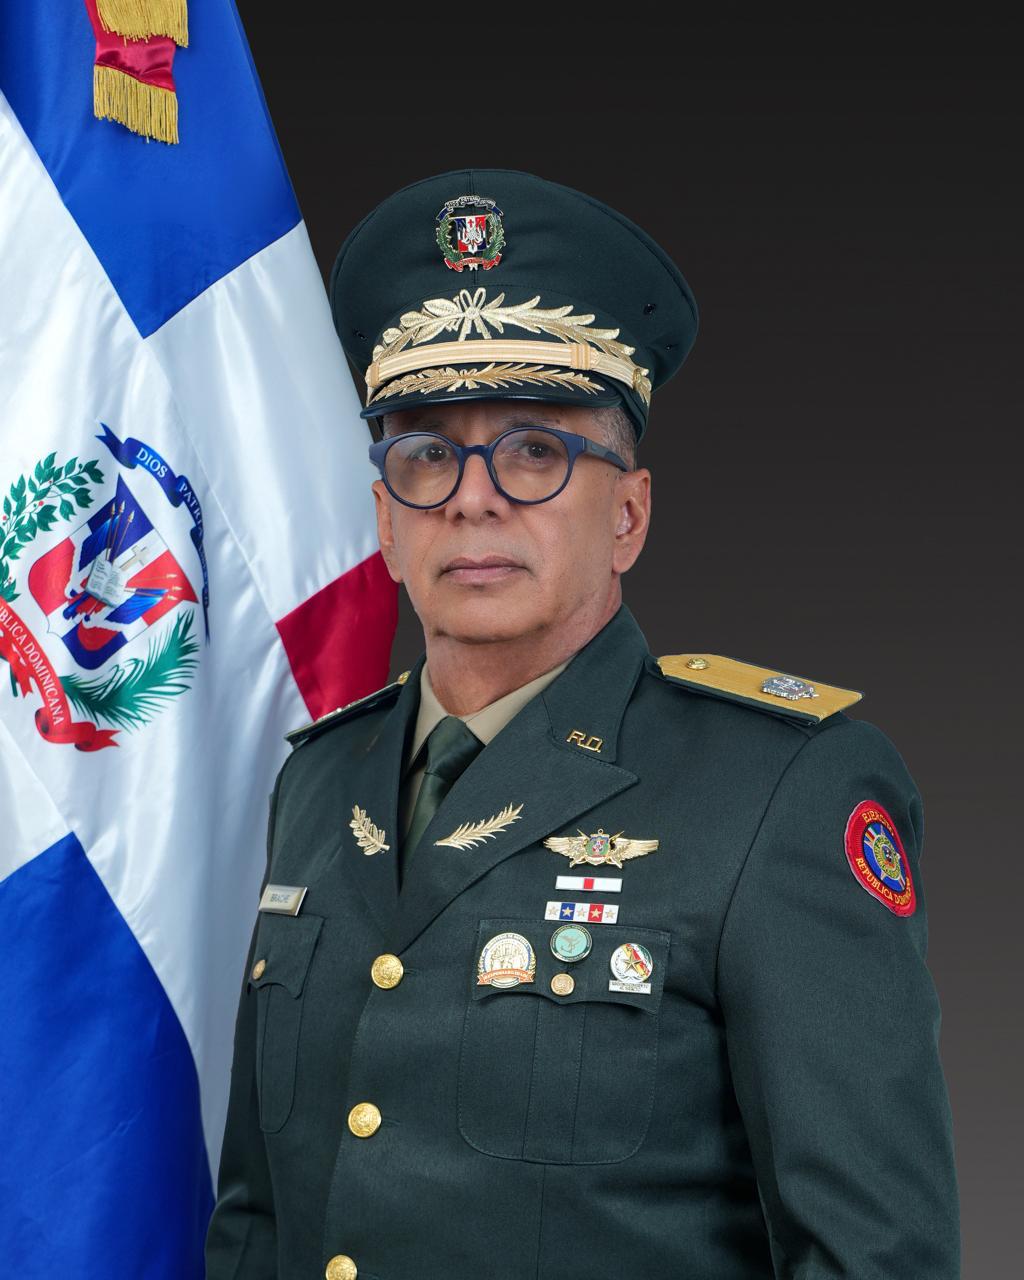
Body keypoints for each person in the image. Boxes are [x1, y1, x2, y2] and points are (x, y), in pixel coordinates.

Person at [205, 170, 960, 1280]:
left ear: (629, 515)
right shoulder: (319, 780)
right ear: (385, 520)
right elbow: (254, 1223)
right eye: (426, 454)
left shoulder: (777, 788)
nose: (472, 497)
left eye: (534, 450)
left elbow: (876, 1256)